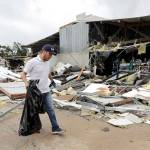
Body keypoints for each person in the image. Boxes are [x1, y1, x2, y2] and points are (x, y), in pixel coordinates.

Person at [21, 44, 64, 134]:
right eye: (50, 54)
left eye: (52, 55)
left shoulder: (47, 62)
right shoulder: (32, 62)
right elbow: (23, 74)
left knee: (50, 109)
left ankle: (55, 128)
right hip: (35, 92)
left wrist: (52, 81)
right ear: (44, 52)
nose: (51, 56)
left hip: (46, 91)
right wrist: (26, 83)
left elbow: (47, 73)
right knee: (34, 111)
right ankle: (34, 127)